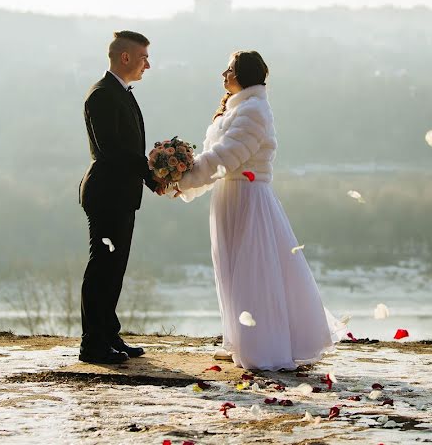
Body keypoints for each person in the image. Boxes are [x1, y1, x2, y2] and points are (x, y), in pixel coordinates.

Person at [175, 51, 342, 370]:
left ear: (244, 74)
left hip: (249, 197)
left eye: (229, 69)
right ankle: (237, 338)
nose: (223, 74)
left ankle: (261, 347)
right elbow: (216, 159)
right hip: (229, 196)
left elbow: (226, 157)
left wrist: (182, 180)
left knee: (253, 272)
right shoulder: (235, 109)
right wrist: (182, 182)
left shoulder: (253, 111)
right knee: (230, 270)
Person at [77, 30, 163, 364]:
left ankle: (108, 335)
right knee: (102, 267)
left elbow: (129, 148)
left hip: (122, 194)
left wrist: (151, 177)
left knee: (115, 268)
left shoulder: (122, 93)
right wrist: (151, 172)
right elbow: (113, 150)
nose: (148, 65)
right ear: (125, 57)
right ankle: (92, 344)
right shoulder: (101, 95)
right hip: (106, 193)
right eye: (144, 58)